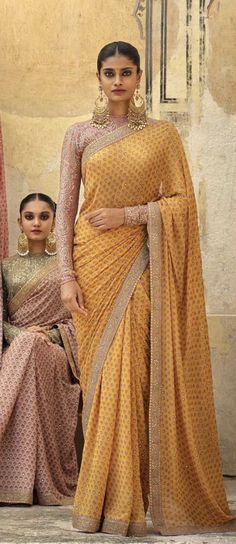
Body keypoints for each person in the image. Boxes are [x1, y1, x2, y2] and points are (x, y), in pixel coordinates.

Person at [57, 41, 234, 536]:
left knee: (129, 374)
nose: (117, 81)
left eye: (127, 73)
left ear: (139, 79)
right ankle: (104, 496)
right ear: (98, 77)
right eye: (109, 73)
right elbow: (66, 207)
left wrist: (130, 215)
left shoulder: (162, 136)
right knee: (100, 380)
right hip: (92, 264)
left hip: (137, 262)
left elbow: (181, 203)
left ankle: (124, 502)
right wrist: (66, 277)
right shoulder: (77, 135)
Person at [0, 193, 80, 505]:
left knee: (33, 344)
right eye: (30, 216)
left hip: (56, 352)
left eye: (44, 216)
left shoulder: (67, 269)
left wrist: (50, 335)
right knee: (28, 345)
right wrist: (22, 334)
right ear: (19, 222)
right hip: (18, 349)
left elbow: (78, 321)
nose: (36, 222)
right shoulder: (4, 267)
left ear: (54, 223)